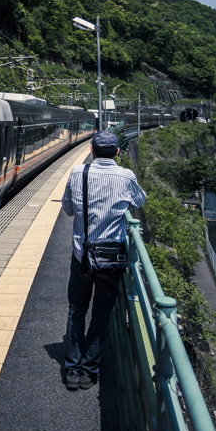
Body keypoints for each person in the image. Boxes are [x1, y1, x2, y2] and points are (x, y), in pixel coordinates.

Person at [61, 131, 147, 391]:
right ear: (118, 152)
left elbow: (68, 209)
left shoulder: (78, 173)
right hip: (111, 259)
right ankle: (89, 371)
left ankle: (71, 368)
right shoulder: (126, 176)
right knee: (101, 312)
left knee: (77, 309)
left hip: (82, 256)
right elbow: (139, 201)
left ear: (91, 150)